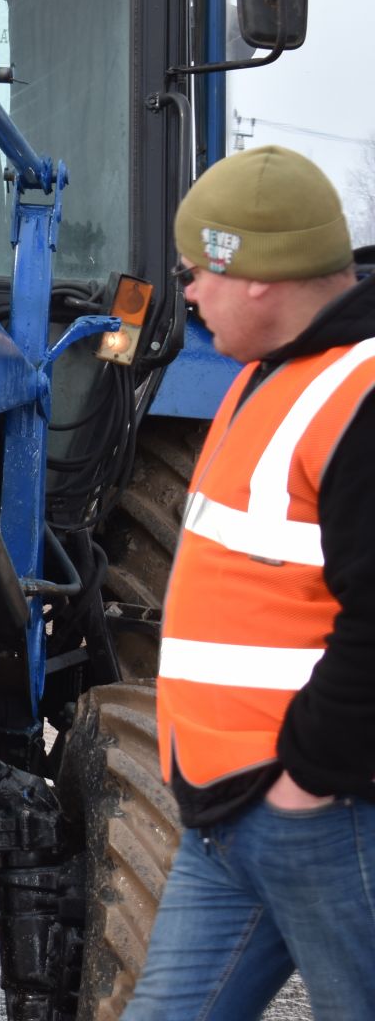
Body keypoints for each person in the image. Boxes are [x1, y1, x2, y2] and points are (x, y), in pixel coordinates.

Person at [127, 145, 375, 1020]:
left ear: (259, 276)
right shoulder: (263, 376)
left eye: (199, 271)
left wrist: (308, 776)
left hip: (318, 808)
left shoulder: (359, 392)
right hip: (228, 811)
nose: (187, 293)